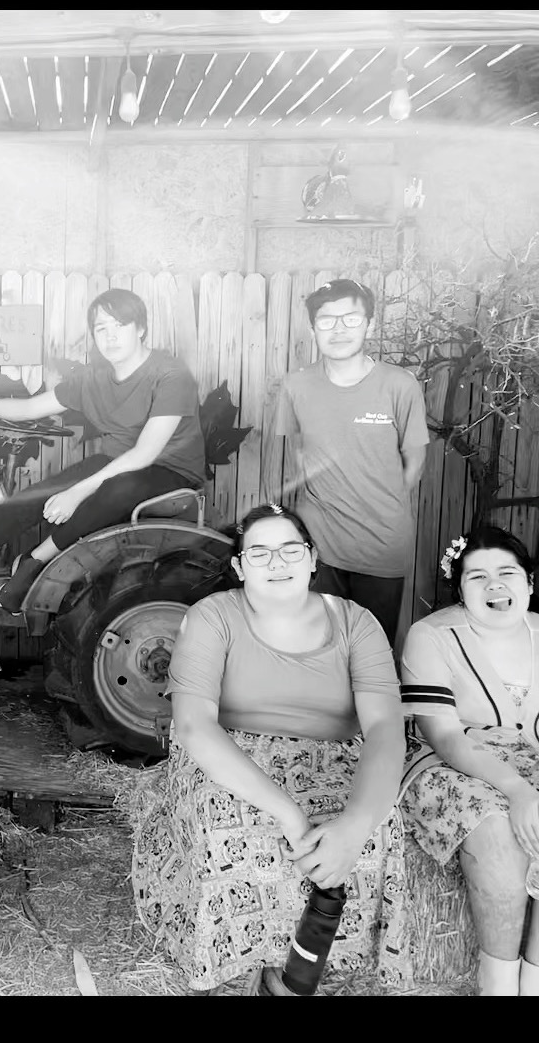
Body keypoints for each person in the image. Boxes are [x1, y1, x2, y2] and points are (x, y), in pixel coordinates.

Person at [129, 503, 409, 993]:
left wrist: (355, 824)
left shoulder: (357, 622)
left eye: (289, 550)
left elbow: (385, 728)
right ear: (238, 567)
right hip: (230, 755)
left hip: (331, 754)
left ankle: (305, 967)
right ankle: (247, 965)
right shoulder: (212, 616)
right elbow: (195, 729)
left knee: (378, 827)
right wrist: (288, 813)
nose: (276, 562)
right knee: (235, 824)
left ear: (312, 558)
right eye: (259, 553)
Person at [0, 289, 205, 611]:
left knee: (116, 489)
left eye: (119, 325)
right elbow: (30, 407)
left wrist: (77, 493)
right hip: (114, 462)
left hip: (170, 469)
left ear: (141, 328)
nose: (110, 336)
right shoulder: (93, 379)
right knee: (39, 494)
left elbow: (145, 454)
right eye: (101, 328)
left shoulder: (170, 375)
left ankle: (35, 563)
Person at [399, 525, 539, 996]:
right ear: (459, 590)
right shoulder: (431, 635)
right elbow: (445, 736)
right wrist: (518, 790)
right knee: (497, 826)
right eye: (477, 577)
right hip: (451, 764)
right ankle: (498, 985)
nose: (494, 585)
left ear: (529, 583)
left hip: (532, 762)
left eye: (507, 572)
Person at [271, 278, 428, 646]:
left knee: (370, 651)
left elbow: (414, 464)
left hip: (381, 546)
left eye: (351, 319)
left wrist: (375, 501)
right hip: (318, 549)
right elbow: (295, 454)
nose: (339, 329)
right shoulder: (296, 387)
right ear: (313, 328)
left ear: (369, 324)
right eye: (327, 320)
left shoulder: (399, 385)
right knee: (315, 649)